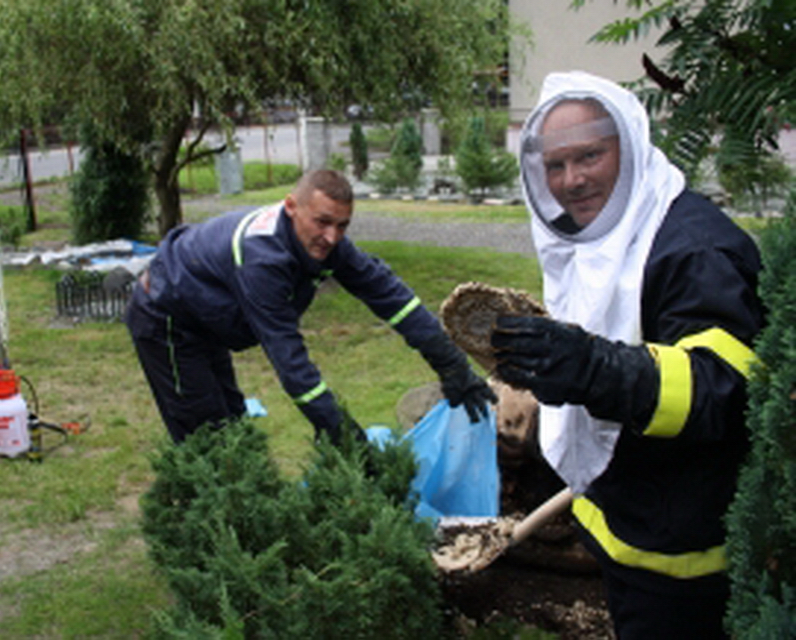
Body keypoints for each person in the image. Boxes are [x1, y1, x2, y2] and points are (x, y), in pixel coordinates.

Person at [491, 71, 764, 638]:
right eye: (556, 166)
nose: (572, 181)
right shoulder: (603, 233)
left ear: (632, 147)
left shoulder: (694, 250)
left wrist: (592, 368)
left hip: (681, 559)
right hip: (624, 527)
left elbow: (724, 389)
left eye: (590, 156)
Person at [125, 169, 495, 446]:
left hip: (206, 319)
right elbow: (289, 360)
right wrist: (335, 426)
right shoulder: (262, 260)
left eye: (342, 225)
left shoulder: (328, 243)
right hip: (167, 318)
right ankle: (214, 536)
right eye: (322, 222)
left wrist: (450, 362)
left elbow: (393, 299)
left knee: (231, 420)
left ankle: (240, 518)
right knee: (205, 434)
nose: (331, 237)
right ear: (291, 207)